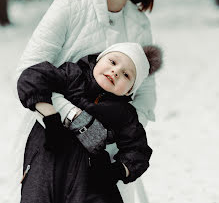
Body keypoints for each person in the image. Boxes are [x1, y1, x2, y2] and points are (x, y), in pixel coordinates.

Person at [15, 0, 157, 203]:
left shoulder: (140, 24)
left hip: (105, 154)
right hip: (50, 134)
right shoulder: (70, 4)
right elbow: (29, 69)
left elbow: (145, 98)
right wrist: (75, 119)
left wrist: (116, 136)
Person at [17, 42, 162, 202]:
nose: (115, 72)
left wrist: (116, 171)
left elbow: (138, 150)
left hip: (88, 174)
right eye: (113, 62)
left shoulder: (124, 114)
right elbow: (32, 77)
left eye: (126, 75)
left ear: (129, 90)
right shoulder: (73, 75)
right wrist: (51, 118)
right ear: (99, 59)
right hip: (48, 153)